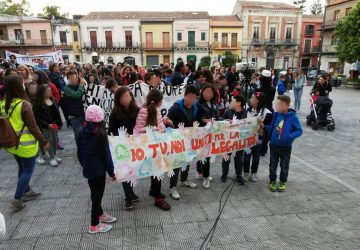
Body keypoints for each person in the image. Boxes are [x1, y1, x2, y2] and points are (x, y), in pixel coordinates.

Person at [0, 75, 50, 210]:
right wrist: (44, 141)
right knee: (27, 170)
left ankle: (26, 191)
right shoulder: (24, 104)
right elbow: (33, 127)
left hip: (11, 144)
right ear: (18, 87)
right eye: (22, 83)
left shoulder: (3, 103)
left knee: (22, 168)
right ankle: (17, 199)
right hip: (25, 145)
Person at [77, 105, 117, 234]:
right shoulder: (100, 133)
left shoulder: (81, 130)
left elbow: (79, 152)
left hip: (88, 169)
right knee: (96, 198)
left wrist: (84, 164)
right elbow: (107, 157)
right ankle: (94, 225)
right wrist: (112, 173)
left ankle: (100, 214)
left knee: (94, 193)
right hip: (98, 171)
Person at [134, 89, 172, 211]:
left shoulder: (156, 109)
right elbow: (138, 129)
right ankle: (158, 199)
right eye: (161, 100)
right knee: (157, 171)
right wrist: (155, 129)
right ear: (158, 101)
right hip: (150, 145)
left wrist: (164, 122)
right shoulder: (143, 111)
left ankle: (154, 191)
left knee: (157, 170)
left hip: (158, 144)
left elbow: (159, 123)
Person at [108, 87, 141, 210]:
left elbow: (141, 124)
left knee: (133, 170)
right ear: (118, 99)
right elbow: (111, 131)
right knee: (124, 170)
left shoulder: (137, 110)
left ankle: (131, 193)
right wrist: (121, 136)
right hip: (122, 147)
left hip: (135, 146)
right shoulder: (115, 113)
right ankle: (128, 198)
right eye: (122, 97)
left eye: (128, 96)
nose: (126, 99)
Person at [167, 85, 199, 200]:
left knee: (187, 161)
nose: (192, 100)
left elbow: (198, 120)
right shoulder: (176, 107)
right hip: (177, 141)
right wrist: (169, 121)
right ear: (185, 95)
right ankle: (172, 187)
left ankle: (184, 179)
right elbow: (168, 119)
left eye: (194, 97)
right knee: (176, 164)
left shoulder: (195, 106)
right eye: (190, 97)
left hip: (189, 140)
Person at [266, 95, 303, 192]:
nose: (278, 106)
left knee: (284, 165)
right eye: (277, 104)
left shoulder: (293, 117)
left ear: (287, 105)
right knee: (273, 164)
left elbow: (299, 130)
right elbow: (272, 128)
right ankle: (272, 180)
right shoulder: (275, 115)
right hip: (274, 144)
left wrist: (289, 136)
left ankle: (282, 181)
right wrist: (264, 127)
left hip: (286, 146)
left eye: (280, 104)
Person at [244, 92, 272, 181]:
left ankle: (254, 173)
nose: (250, 99)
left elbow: (270, 127)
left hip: (259, 138)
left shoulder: (267, 112)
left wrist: (264, 126)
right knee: (247, 155)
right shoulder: (248, 110)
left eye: (252, 98)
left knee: (256, 156)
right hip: (248, 137)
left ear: (258, 100)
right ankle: (245, 172)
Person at [33, 84, 63, 167]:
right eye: (48, 91)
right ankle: (51, 158)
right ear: (42, 92)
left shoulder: (52, 100)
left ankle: (54, 155)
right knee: (49, 141)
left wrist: (59, 123)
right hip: (46, 126)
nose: (50, 92)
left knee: (56, 140)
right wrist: (47, 124)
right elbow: (37, 117)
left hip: (54, 124)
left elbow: (57, 114)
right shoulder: (37, 104)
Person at [221, 95, 247, 184]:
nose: (231, 103)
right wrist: (227, 121)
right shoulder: (228, 111)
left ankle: (239, 175)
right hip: (228, 140)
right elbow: (221, 120)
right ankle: (224, 174)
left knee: (239, 159)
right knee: (226, 158)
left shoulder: (246, 113)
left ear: (239, 103)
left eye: (233, 101)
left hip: (240, 141)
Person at [197, 84, 219, 188]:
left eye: (211, 92)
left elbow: (217, 117)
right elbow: (196, 116)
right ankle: (206, 177)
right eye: (206, 92)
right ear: (202, 92)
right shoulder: (198, 103)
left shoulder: (214, 104)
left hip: (212, 132)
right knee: (205, 154)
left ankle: (201, 172)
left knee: (204, 154)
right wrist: (203, 120)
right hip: (201, 132)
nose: (208, 94)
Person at [62, 71, 85, 140]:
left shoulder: (81, 85)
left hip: (83, 114)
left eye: (74, 78)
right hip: (74, 116)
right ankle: (80, 149)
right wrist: (81, 86)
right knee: (78, 135)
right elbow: (76, 95)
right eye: (71, 79)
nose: (73, 80)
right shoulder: (67, 88)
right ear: (68, 79)